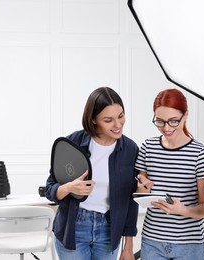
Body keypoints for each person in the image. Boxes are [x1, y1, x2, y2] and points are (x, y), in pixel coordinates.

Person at [45, 87, 139, 260]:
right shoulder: (73, 142)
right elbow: (50, 190)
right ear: (94, 119)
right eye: (108, 120)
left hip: (109, 231)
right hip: (73, 228)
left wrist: (128, 246)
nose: (118, 125)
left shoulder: (130, 149)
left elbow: (131, 201)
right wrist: (69, 187)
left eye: (121, 116)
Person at [135, 88, 204, 260]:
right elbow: (141, 195)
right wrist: (142, 191)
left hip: (189, 244)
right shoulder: (148, 148)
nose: (166, 128)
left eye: (173, 121)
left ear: (185, 116)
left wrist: (182, 210)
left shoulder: (200, 154)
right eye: (160, 121)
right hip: (152, 241)